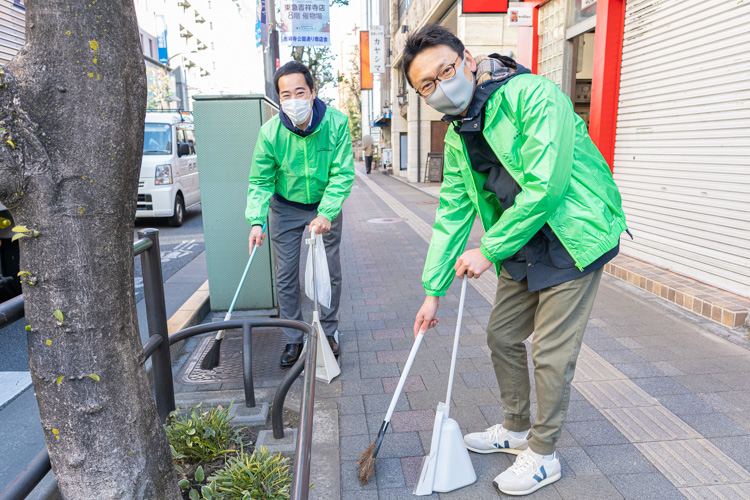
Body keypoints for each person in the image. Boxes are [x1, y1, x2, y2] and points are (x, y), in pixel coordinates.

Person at [406, 25, 628, 496]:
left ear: (466, 59)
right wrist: (433, 292)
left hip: (573, 236)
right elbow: (453, 211)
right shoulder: (459, 134)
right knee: (502, 335)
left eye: (445, 70)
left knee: (551, 353)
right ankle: (517, 428)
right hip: (519, 240)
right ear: (422, 97)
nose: (441, 86)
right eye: (427, 85)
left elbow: (547, 185)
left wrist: (487, 250)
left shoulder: (534, 95)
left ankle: (544, 455)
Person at [246, 61, 355, 368]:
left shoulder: (336, 123)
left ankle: (329, 332)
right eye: (285, 94)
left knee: (328, 271)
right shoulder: (270, 133)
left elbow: (342, 173)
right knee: (286, 275)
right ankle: (294, 337)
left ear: (312, 91)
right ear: (279, 99)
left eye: (299, 91)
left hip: (324, 205)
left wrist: (327, 212)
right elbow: (260, 179)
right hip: (285, 207)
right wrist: (256, 219)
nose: (293, 100)